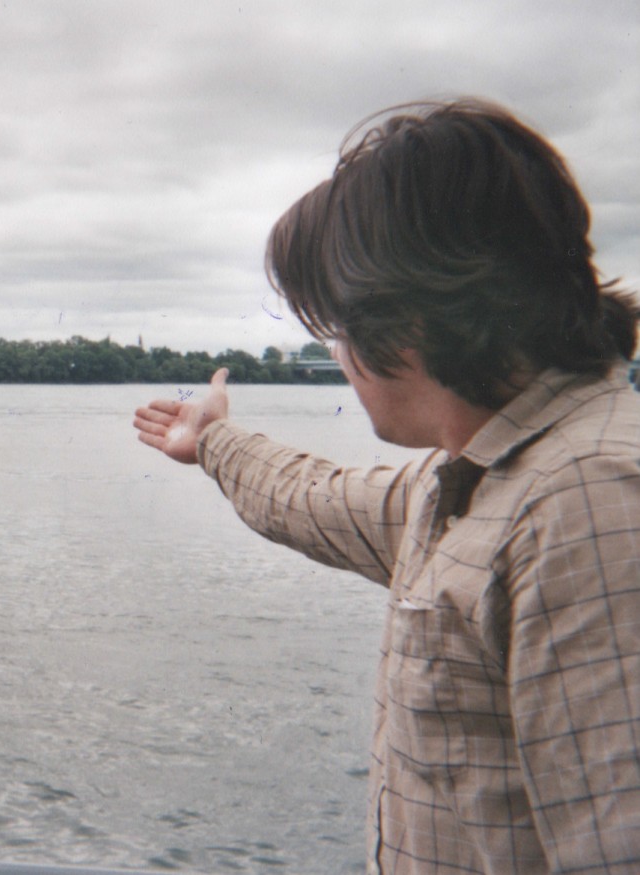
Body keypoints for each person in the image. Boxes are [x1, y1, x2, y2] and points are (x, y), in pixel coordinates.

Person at [133, 99, 640, 874]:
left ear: (405, 314)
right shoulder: (475, 479)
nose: (339, 354)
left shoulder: (591, 500)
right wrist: (210, 440)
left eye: (337, 325)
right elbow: (318, 496)